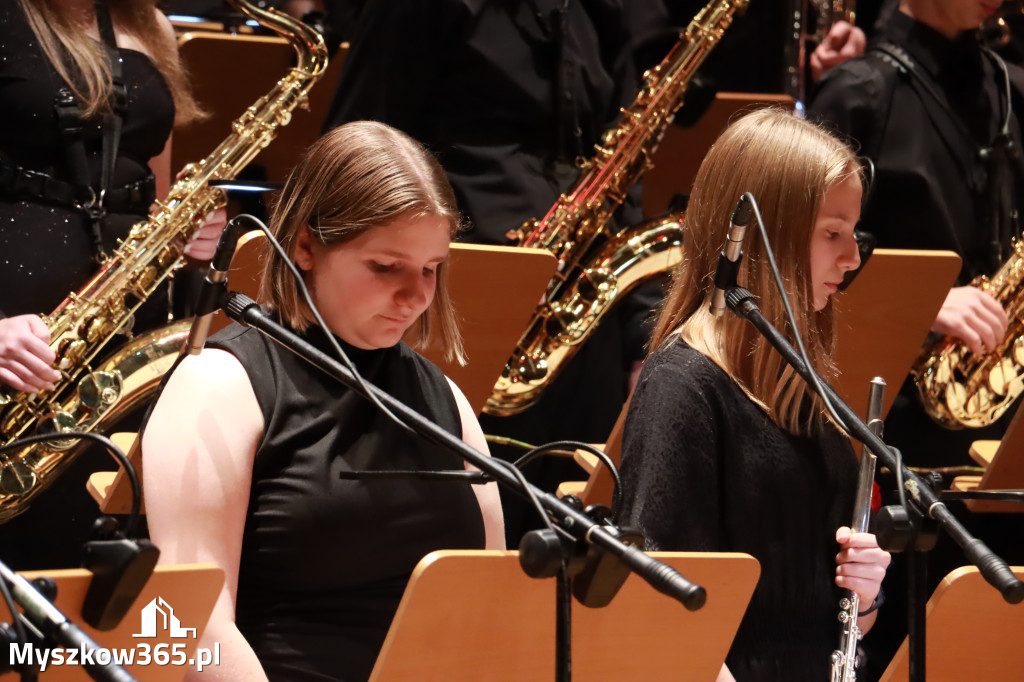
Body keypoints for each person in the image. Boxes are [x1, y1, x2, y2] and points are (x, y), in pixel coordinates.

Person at [143, 121, 505, 682]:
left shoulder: (444, 397)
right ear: (305, 247)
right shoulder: (218, 384)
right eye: (386, 267)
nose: (416, 296)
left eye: (432, 269)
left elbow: (489, 602)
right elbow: (189, 630)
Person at [619, 108, 891, 682]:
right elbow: (656, 607)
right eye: (832, 234)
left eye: (854, 234)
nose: (853, 259)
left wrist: (863, 599)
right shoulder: (682, 388)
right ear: (770, 235)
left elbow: (819, 611)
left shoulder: (801, 393)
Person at [0, 0, 224, 569]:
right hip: (16, 326)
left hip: (124, 320)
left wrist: (189, 236)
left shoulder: (150, 25)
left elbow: (157, 192)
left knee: (89, 535)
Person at [809, 0, 1024, 470]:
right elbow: (795, 250)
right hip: (886, 420)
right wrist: (921, 303)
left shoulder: (1010, 88)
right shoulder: (856, 93)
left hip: (1000, 403)